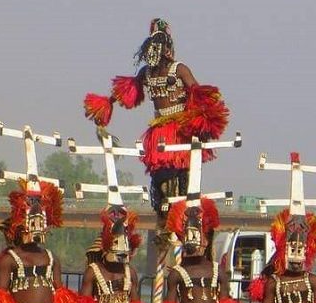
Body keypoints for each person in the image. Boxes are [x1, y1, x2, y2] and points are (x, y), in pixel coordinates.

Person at [83, 18, 229, 225]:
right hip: (162, 133)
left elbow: (199, 93)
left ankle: (179, 218)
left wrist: (205, 118)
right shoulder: (153, 72)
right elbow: (126, 91)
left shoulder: (176, 70)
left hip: (178, 130)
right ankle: (166, 219)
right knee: (164, 178)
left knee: (181, 177)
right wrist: (106, 104)